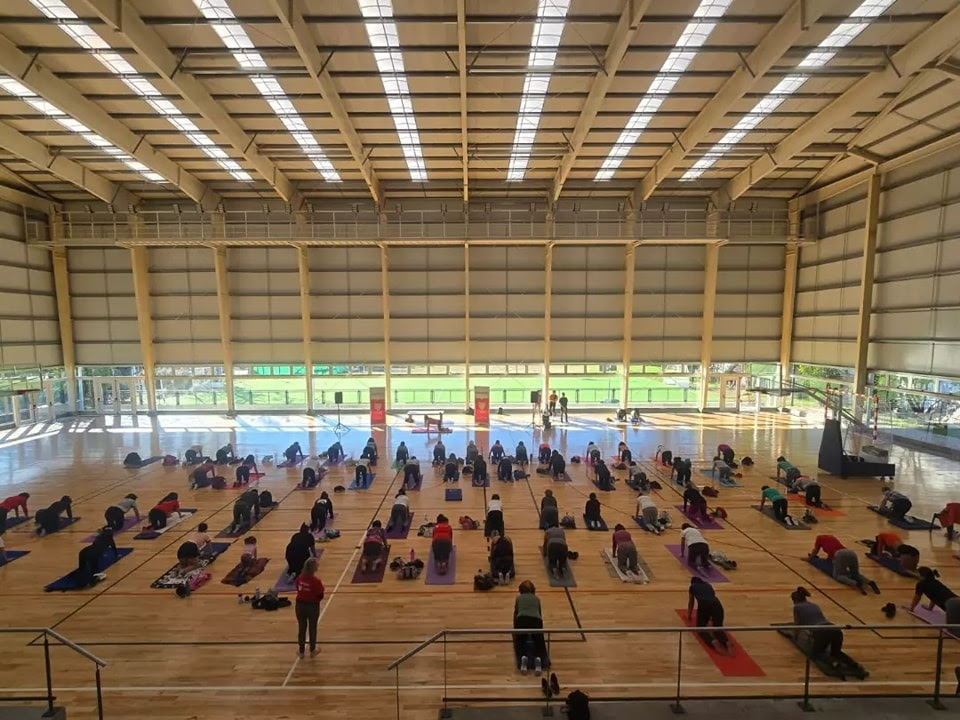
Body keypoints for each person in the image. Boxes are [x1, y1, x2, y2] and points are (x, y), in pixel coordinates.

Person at [809, 534, 879, 594]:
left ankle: (855, 583)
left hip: (840, 554)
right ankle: (869, 582)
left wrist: (810, 559)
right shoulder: (832, 537)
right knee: (855, 574)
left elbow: (816, 551)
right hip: (851, 552)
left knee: (838, 575)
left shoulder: (819, 539)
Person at [791, 587, 845, 663]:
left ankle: (834, 663)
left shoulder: (797, 607)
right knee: (836, 653)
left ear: (794, 600)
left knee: (817, 654)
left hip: (822, 632)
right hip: (834, 628)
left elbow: (797, 625)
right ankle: (855, 665)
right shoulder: (814, 605)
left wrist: (795, 637)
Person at [688, 577, 731, 654]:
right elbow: (711, 596)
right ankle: (726, 641)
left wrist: (689, 615)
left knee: (701, 628)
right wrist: (711, 617)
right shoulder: (708, 585)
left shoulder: (692, 587)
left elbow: (691, 602)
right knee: (718, 627)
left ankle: (712, 641)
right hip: (717, 604)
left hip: (704, 605)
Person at [514, 580, 548, 675]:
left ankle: (523, 659)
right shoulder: (537, 599)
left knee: (521, 641)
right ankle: (539, 660)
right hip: (536, 620)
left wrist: (516, 629)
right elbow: (539, 614)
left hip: (522, 619)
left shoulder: (519, 598)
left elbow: (516, 613)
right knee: (539, 641)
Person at [295, 556, 325, 658]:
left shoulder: (299, 578)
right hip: (312, 606)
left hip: (299, 605)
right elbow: (320, 595)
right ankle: (312, 649)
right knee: (313, 627)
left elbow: (297, 588)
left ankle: (301, 650)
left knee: (301, 627)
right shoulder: (316, 581)